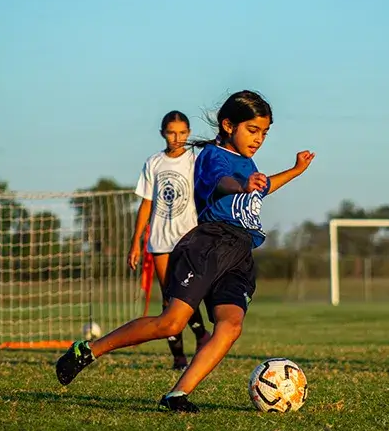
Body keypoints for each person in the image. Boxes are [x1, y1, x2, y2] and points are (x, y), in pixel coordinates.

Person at [56, 90, 315, 413]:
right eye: (253, 130)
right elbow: (222, 183)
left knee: (230, 326)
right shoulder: (212, 156)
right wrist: (243, 185)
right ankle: (89, 350)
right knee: (171, 324)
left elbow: (259, 187)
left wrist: (294, 171)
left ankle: (177, 394)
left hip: (239, 253)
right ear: (228, 124)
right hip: (208, 244)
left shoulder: (248, 162)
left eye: (264, 132)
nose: (259, 138)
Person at [128, 110, 211, 370]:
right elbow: (146, 205)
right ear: (163, 133)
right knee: (168, 299)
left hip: (189, 238)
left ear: (189, 133)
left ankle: (201, 335)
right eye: (172, 132)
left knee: (186, 297)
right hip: (160, 240)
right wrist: (135, 243)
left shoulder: (195, 161)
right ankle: (178, 357)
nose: (177, 138)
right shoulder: (153, 163)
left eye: (183, 133)